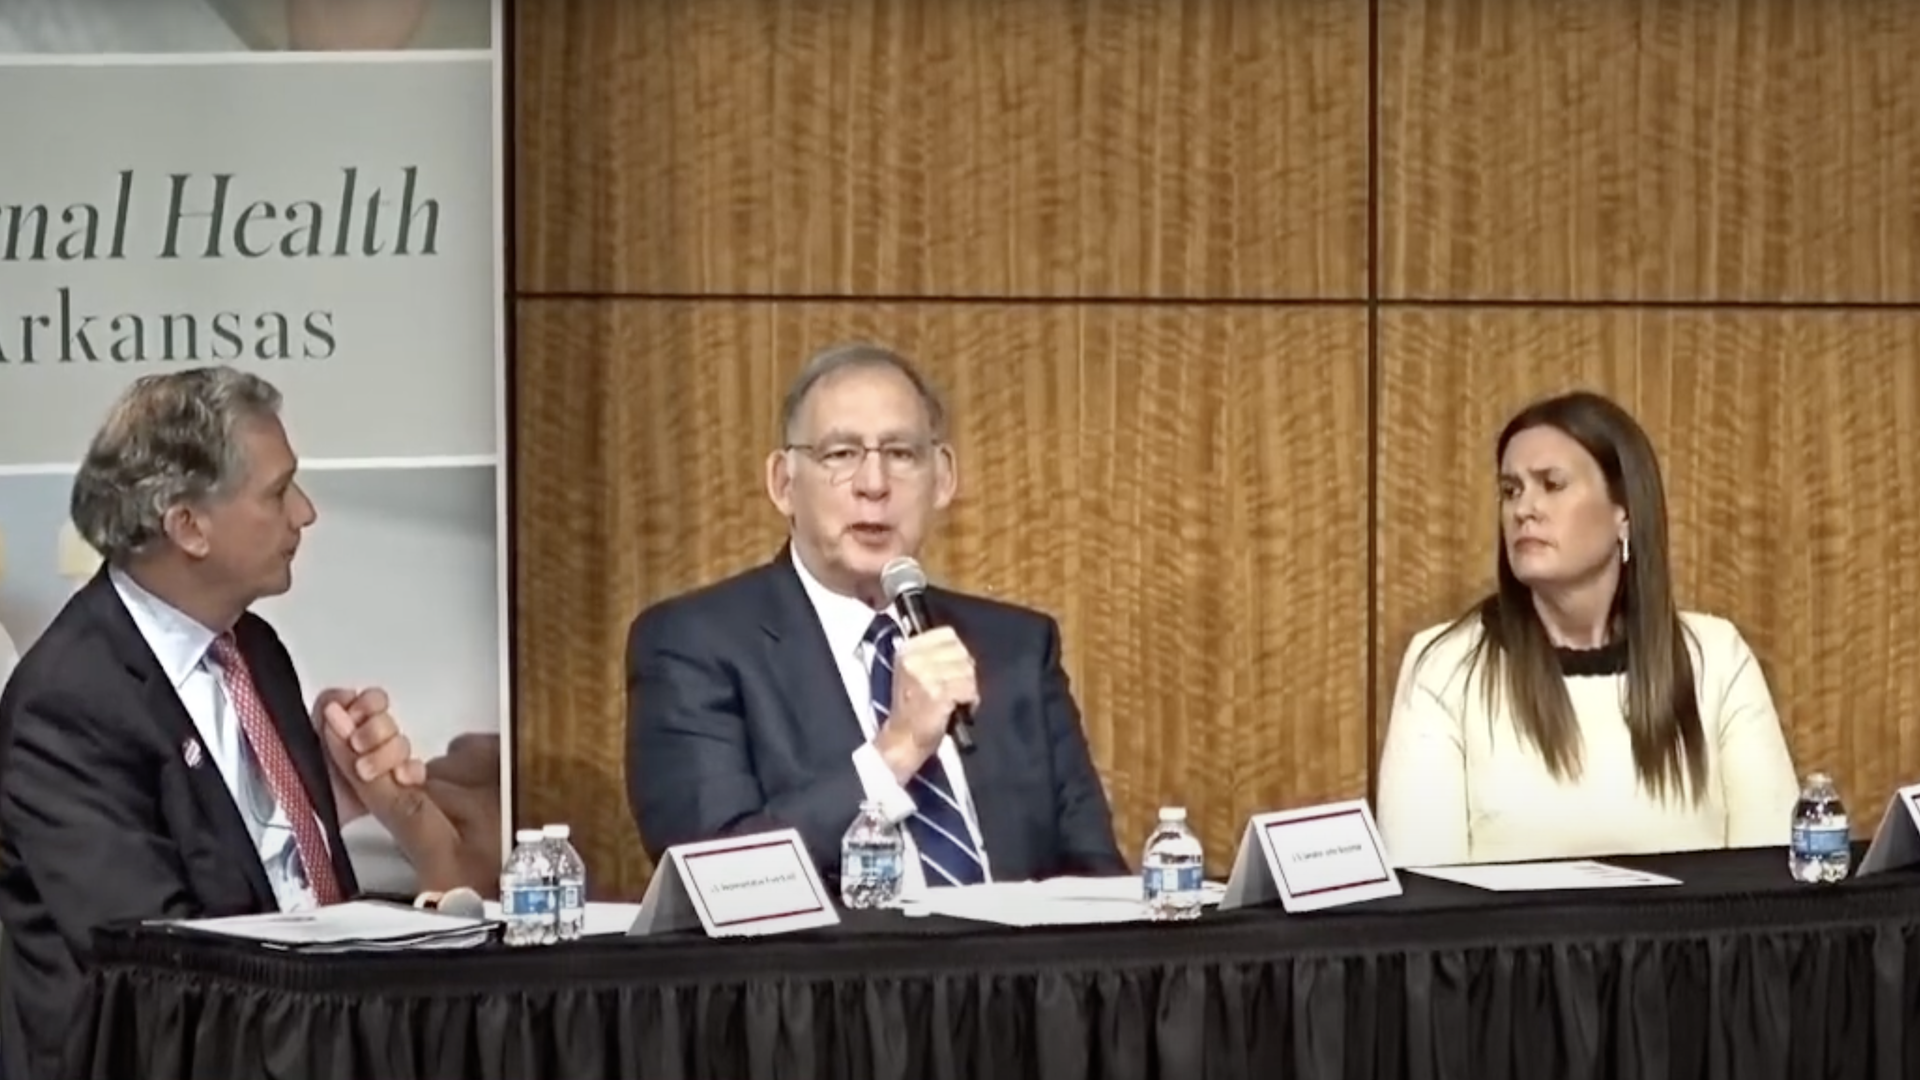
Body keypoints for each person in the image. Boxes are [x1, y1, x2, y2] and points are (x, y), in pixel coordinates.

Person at [0, 367, 482, 1080]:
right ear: (188, 526)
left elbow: (290, 886)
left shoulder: (254, 649)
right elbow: (161, 964)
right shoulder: (68, 704)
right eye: (278, 492)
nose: (306, 513)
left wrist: (357, 805)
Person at [627, 343, 1125, 896]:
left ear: (943, 478)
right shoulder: (694, 644)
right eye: (840, 454)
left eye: (902, 454)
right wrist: (899, 749)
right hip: (826, 981)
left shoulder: (1017, 648)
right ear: (783, 483)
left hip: (1011, 979)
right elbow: (717, 881)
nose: (874, 484)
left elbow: (1095, 882)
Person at [1376, 391, 1800, 868]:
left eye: (1551, 484)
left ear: (1625, 513)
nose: (1523, 509)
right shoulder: (1446, 666)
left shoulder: (1716, 657)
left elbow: (1771, 877)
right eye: (1511, 490)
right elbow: (1425, 898)